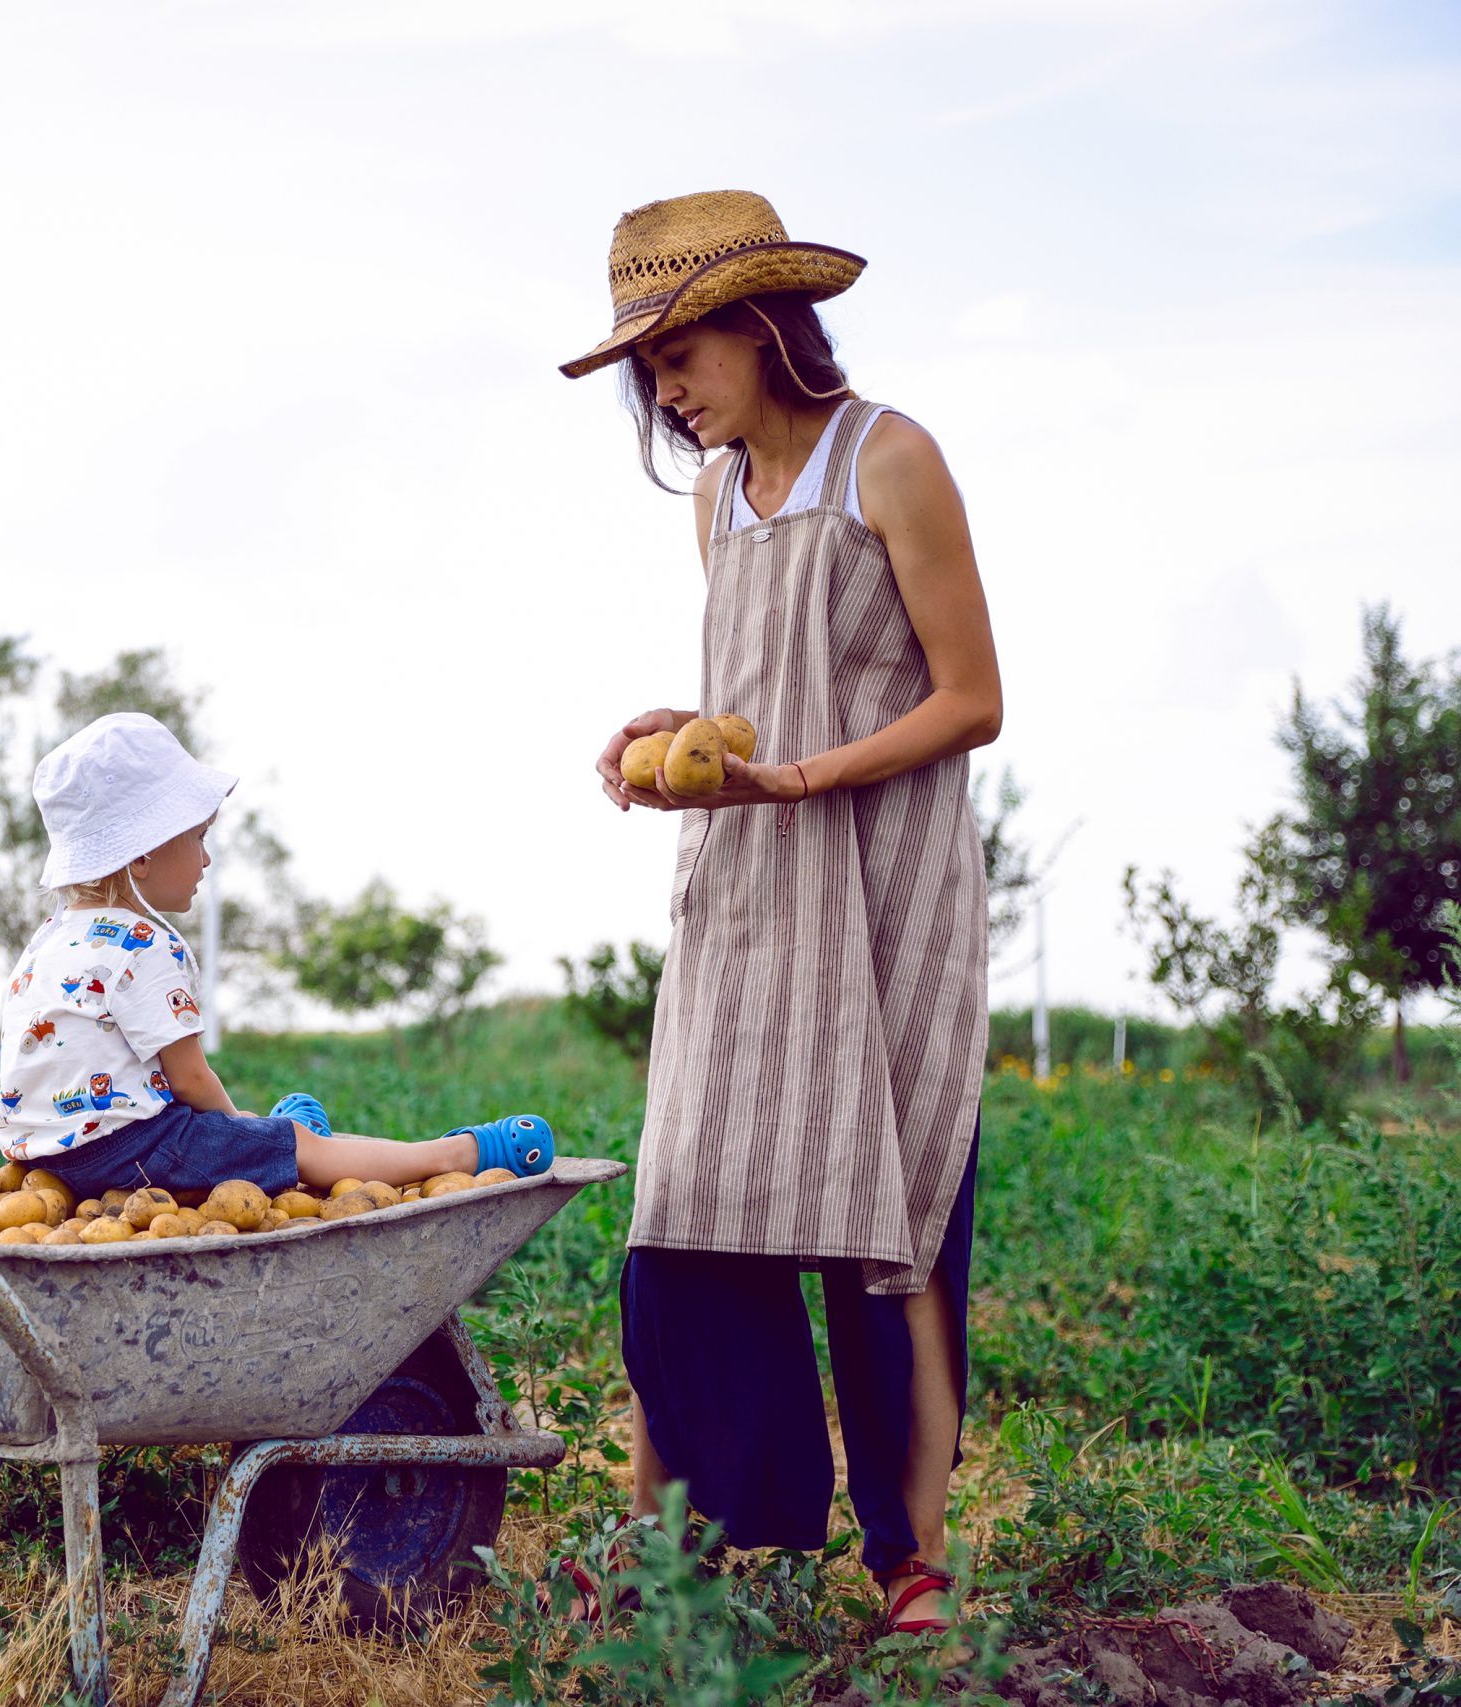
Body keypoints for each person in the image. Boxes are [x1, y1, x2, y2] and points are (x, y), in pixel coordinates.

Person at [560, 191, 1001, 1635]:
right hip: (751, 886)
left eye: (676, 357)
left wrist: (807, 772)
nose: (666, 394)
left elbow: (968, 697)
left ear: (759, 325)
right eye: (648, 373)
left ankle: (913, 1560)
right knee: (685, 1213)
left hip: (882, 880)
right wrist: (683, 726)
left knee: (895, 1223)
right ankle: (671, 1542)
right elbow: (773, 689)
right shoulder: (716, 498)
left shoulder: (895, 455)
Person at [0, 712, 555, 1198]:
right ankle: (451, 1154)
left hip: (49, 1162)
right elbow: (189, 1079)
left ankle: (278, 1141)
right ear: (142, 856)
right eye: (199, 837)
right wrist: (239, 1127)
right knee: (293, 1144)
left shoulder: (48, 941)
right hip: (131, 1155)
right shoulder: (141, 942)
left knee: (258, 1139)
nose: (206, 860)